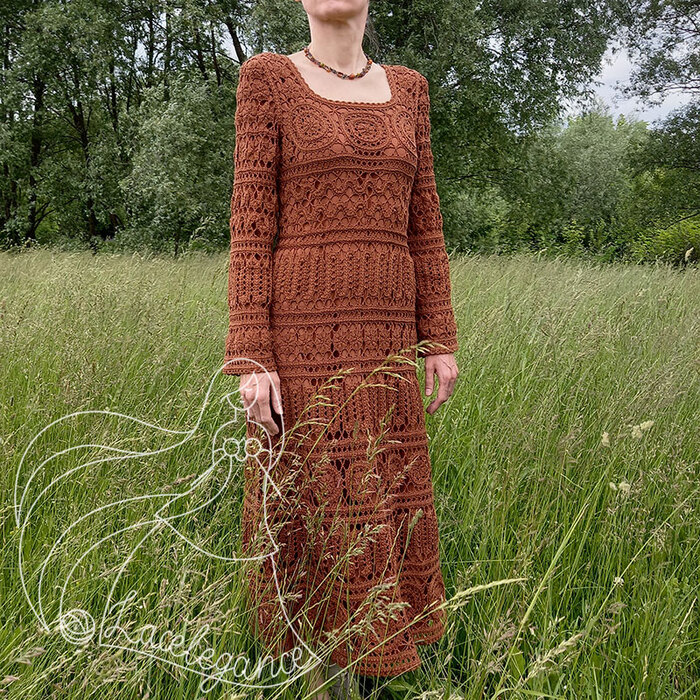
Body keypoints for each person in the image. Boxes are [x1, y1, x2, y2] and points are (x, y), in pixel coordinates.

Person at [222, 1, 459, 697]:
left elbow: (425, 228)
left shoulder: (409, 90)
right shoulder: (267, 80)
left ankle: (373, 669)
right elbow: (250, 225)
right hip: (301, 350)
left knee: (380, 507)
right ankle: (317, 683)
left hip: (387, 349)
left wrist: (439, 338)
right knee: (315, 515)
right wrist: (252, 355)